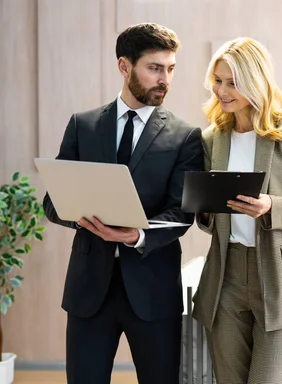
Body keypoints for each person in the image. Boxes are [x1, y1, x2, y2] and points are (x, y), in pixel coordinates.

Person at [42, 23, 203, 383]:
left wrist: (137, 236)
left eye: (171, 69)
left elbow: (182, 214)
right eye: (154, 68)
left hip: (153, 291)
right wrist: (79, 219)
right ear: (124, 66)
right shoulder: (83, 126)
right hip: (89, 292)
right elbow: (52, 201)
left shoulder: (186, 137)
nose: (165, 79)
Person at [192, 37, 282, 384]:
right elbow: (209, 223)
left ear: (255, 80)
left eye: (232, 82)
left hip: (280, 276)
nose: (222, 91)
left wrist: (270, 206)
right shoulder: (212, 138)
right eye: (218, 81)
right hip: (227, 274)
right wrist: (203, 205)